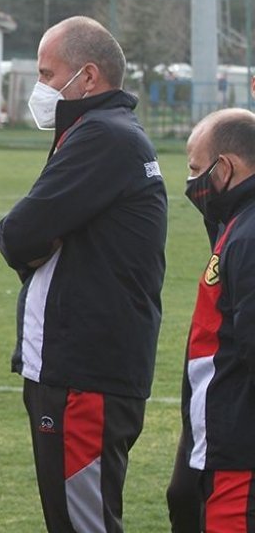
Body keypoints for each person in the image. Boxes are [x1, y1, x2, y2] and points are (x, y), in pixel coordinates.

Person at [0, 16, 167, 533]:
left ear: (87, 77)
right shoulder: (106, 132)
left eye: (48, 75)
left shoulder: (103, 136)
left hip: (83, 373)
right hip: (82, 368)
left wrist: (34, 244)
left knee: (82, 523)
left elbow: (17, 233)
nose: (40, 89)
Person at [169, 107, 255, 533]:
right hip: (219, 447)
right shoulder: (235, 223)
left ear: (226, 168)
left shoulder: (249, 235)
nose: (191, 183)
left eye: (196, 169)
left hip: (238, 456)